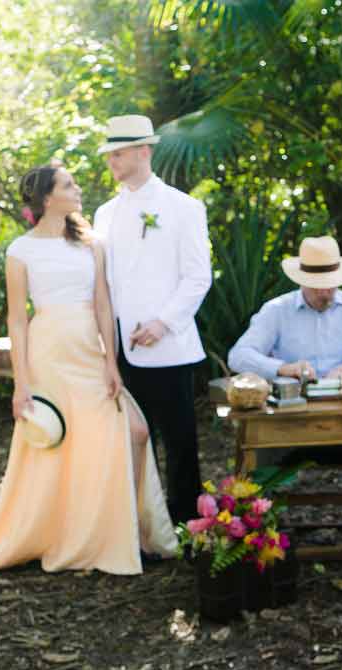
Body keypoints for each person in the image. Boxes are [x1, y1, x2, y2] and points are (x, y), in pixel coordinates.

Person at [0, 164, 178, 576]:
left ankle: (125, 531)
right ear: (48, 199)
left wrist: (112, 362)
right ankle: (70, 533)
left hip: (89, 349)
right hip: (48, 352)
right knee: (61, 443)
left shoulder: (92, 244)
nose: (78, 188)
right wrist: (22, 384)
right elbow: (18, 319)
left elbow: (104, 305)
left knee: (134, 432)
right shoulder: (21, 250)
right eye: (69, 185)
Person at [227, 236, 342, 543]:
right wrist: (282, 368)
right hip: (291, 427)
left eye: (331, 284)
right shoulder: (277, 310)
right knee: (257, 452)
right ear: (302, 281)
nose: (326, 291)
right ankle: (256, 542)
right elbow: (239, 355)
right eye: (318, 285)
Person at [92, 115, 212, 525]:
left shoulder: (183, 207)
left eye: (119, 153)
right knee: (133, 441)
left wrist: (163, 323)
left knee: (180, 443)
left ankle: (186, 525)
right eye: (109, 154)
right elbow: (104, 283)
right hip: (120, 347)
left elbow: (198, 276)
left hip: (169, 347)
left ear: (144, 151)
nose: (112, 161)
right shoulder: (104, 214)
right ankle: (141, 525)